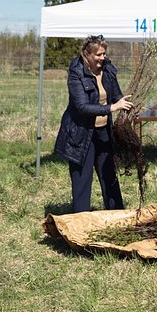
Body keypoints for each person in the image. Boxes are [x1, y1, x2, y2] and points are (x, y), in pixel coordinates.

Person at [54, 35, 134, 213]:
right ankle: (80, 222)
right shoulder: (76, 73)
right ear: (86, 54)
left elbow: (115, 95)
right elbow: (82, 107)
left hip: (103, 131)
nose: (102, 58)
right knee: (82, 180)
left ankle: (117, 215)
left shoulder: (108, 69)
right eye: (98, 54)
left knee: (109, 175)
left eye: (104, 54)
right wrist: (113, 107)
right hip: (80, 133)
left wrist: (124, 103)